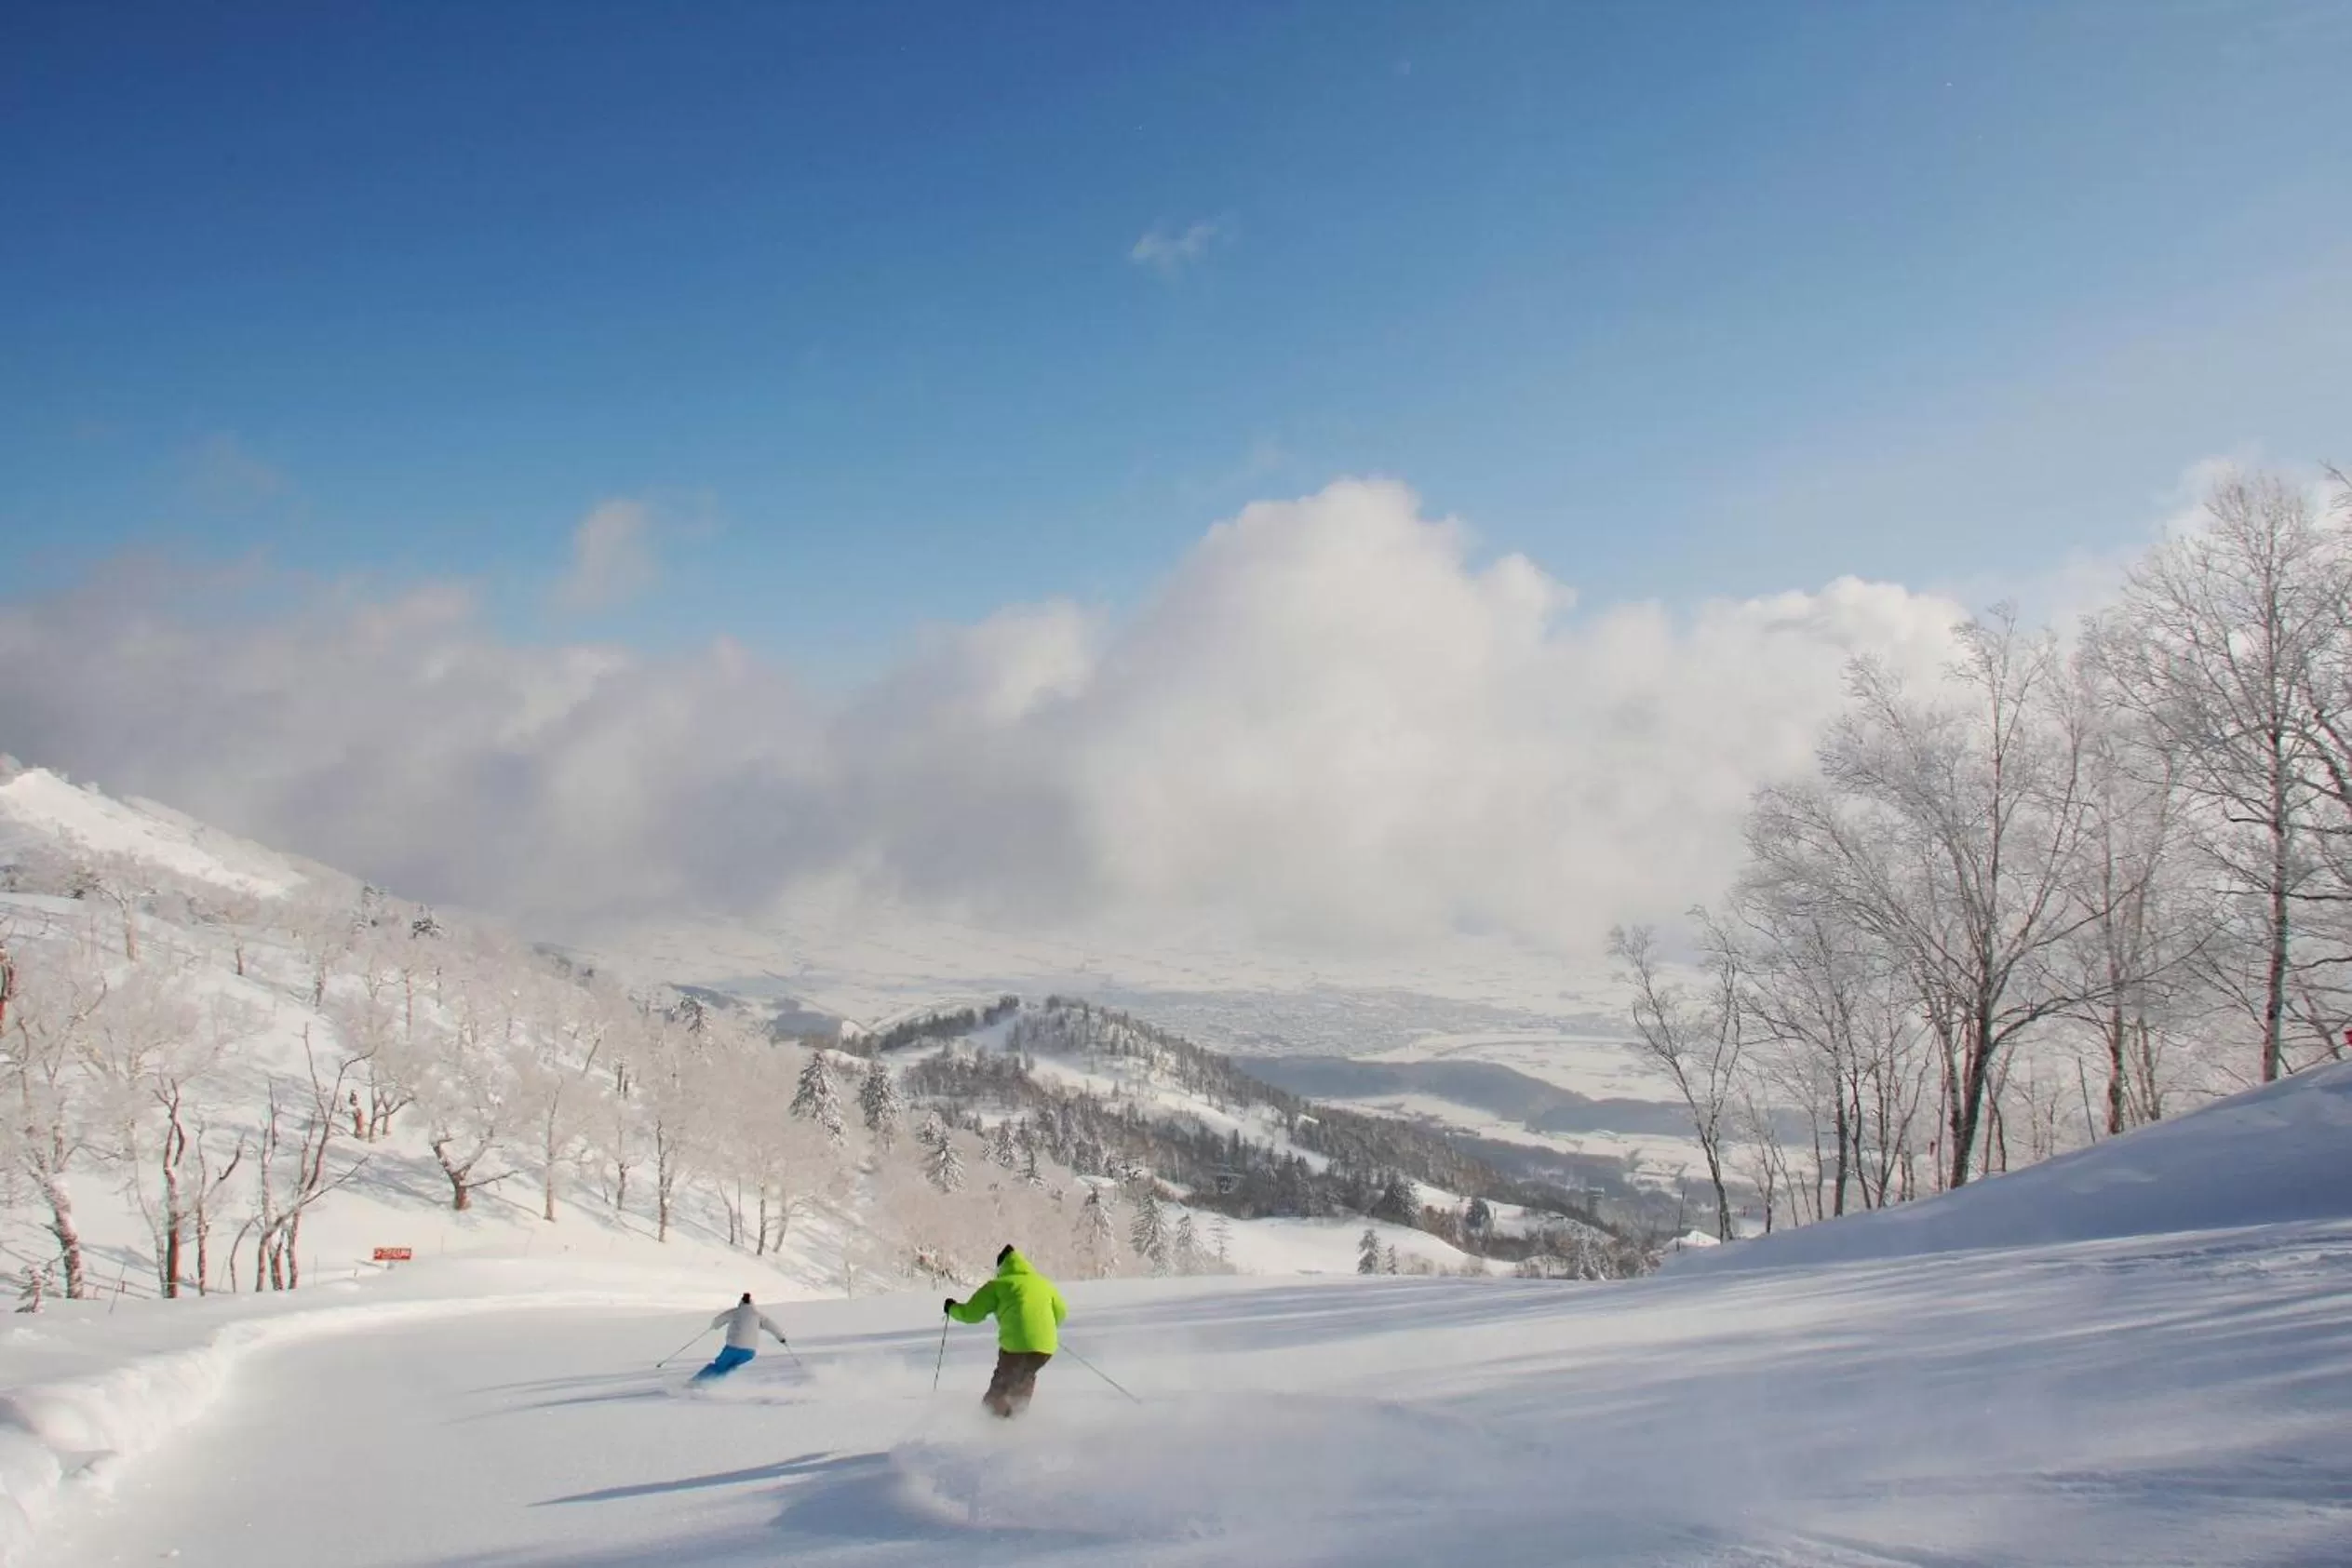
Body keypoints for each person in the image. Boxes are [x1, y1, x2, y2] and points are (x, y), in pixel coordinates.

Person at [945, 1244, 1068, 1417]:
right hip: (1045, 1347)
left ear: (1001, 1267)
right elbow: (1062, 1311)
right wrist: (1043, 1328)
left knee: (1001, 1387)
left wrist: (952, 1308)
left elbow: (971, 1314)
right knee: (1025, 1377)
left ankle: (989, 1426)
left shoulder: (999, 1285)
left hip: (1016, 1346)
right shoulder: (1044, 1284)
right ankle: (1017, 1423)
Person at [693, 1292, 789, 1381]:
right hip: (749, 1352)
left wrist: (714, 1327)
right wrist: (782, 1339)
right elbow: (773, 1327)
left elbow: (717, 1321)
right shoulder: (758, 1315)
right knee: (731, 1370)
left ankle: (698, 1382)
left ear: (741, 1302)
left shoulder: (735, 1312)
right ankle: (718, 1385)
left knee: (719, 1366)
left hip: (733, 1347)